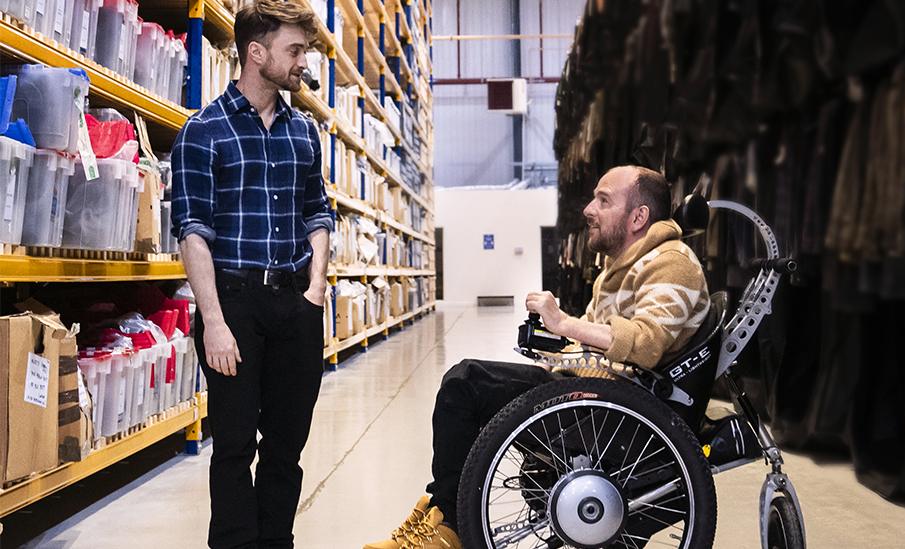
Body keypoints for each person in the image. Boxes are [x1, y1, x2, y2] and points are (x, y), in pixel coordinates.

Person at [365, 165, 711, 549]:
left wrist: (564, 323)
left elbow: (646, 343)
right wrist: (556, 349)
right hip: (599, 398)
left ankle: (448, 528)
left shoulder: (672, 262)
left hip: (617, 414)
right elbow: (602, 345)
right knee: (472, 383)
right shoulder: (620, 267)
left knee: (464, 385)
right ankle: (441, 513)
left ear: (638, 217)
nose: (588, 210)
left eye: (604, 200)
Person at [170, 1, 332, 547]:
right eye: (294, 50)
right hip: (233, 303)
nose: (302, 61)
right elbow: (193, 231)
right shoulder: (202, 131)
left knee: (286, 446)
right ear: (255, 53)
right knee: (236, 446)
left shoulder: (303, 131)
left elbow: (318, 212)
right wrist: (213, 322)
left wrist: (314, 290)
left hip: (295, 304)